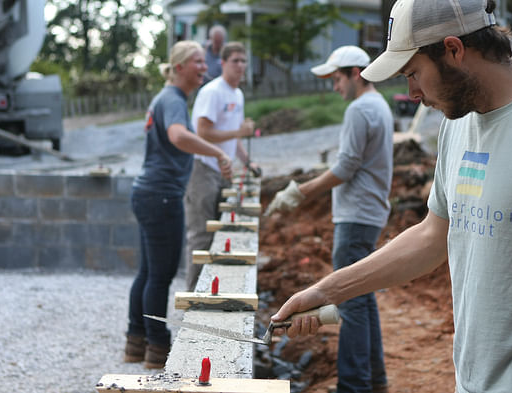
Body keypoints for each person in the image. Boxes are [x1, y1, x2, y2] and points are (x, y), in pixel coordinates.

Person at [271, 0, 512, 393]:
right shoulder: (458, 127)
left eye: (414, 74)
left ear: (454, 50)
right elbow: (432, 236)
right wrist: (326, 290)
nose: (411, 93)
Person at [265, 45, 393, 393]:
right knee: (362, 297)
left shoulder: (359, 110)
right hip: (370, 212)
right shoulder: (379, 105)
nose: (334, 86)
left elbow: (345, 168)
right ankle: (375, 379)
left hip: (355, 216)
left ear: (354, 74)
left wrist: (299, 192)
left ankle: (354, 385)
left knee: (349, 301)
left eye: (336, 78)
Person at [124, 40, 233, 369]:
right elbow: (177, 136)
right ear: (180, 67)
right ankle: (158, 349)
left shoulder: (168, 98)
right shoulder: (172, 99)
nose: (205, 67)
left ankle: (135, 342)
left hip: (148, 193)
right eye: (198, 62)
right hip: (161, 196)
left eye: (205, 62)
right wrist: (217, 152)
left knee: (147, 273)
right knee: (160, 276)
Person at [184, 41, 257, 291]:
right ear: (223, 63)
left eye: (243, 61)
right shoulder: (213, 91)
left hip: (223, 170)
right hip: (202, 169)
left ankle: (212, 289)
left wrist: (248, 162)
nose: (240, 66)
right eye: (234, 60)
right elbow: (202, 132)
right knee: (201, 235)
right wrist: (240, 131)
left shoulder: (237, 94)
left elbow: (233, 139)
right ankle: (194, 296)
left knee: (220, 233)